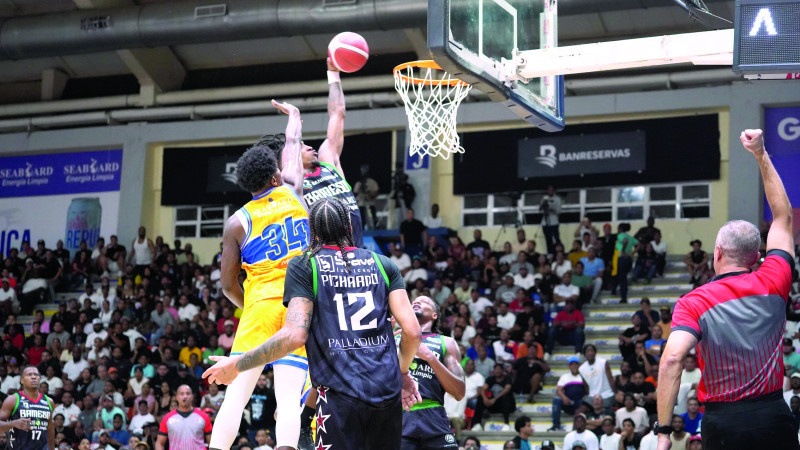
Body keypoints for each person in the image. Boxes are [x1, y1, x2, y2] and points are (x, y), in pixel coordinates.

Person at [203, 197, 422, 450]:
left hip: (340, 393)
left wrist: (239, 363)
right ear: (349, 228)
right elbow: (413, 331)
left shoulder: (305, 265)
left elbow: (295, 335)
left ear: (312, 231)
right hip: (386, 392)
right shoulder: (384, 265)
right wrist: (403, 371)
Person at [656, 130, 799, 450]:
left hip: (724, 425)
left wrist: (664, 432)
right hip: (774, 416)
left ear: (717, 253)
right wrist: (760, 153)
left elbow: (670, 360)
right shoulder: (774, 279)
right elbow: (783, 217)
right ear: (757, 257)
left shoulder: (694, 302)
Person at [207, 135, 310, 450]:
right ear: (275, 175)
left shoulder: (236, 222)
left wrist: (251, 305)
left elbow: (226, 285)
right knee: (289, 399)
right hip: (298, 304)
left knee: (236, 398)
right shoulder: (296, 193)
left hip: (260, 307)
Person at [275, 60, 364, 247]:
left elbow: (338, 113)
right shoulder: (292, 185)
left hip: (356, 252)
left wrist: (333, 73)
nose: (308, 147)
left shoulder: (328, 163)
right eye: (302, 146)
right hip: (325, 259)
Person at [399, 296, 465, 449]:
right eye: (413, 302)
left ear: (435, 315)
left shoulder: (446, 342)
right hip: (399, 415)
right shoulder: (394, 338)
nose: (416, 302)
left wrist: (430, 357)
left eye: (424, 301)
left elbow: (459, 392)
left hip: (433, 415)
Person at [0, 366, 55, 450]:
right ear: (22, 380)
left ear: (39, 379)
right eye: (29, 375)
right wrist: (13, 423)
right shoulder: (13, 399)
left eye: (36, 375)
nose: (33, 377)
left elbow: (50, 430)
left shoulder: (49, 401)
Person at [155, 385, 211, 450]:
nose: (185, 396)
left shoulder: (204, 416)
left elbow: (212, 443)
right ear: (177, 397)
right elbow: (159, 443)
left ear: (192, 397)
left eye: (188, 393)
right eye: (182, 394)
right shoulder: (167, 418)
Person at [549, 357, 587, 432]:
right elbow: (559, 390)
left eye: (576, 364)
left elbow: (588, 390)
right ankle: (555, 426)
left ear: (579, 365)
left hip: (580, 403)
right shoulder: (565, 377)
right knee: (557, 400)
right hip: (568, 402)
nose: (574, 366)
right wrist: (564, 398)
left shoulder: (583, 376)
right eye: (572, 364)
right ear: (569, 366)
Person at [540, 186, 563, 256]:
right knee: (548, 239)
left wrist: (551, 209)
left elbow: (558, 211)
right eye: (548, 189)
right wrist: (543, 206)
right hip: (545, 222)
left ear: (553, 190)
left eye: (551, 190)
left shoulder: (557, 199)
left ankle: (559, 253)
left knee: (556, 239)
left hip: (554, 222)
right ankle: (549, 254)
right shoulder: (544, 198)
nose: (550, 191)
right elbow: (540, 208)